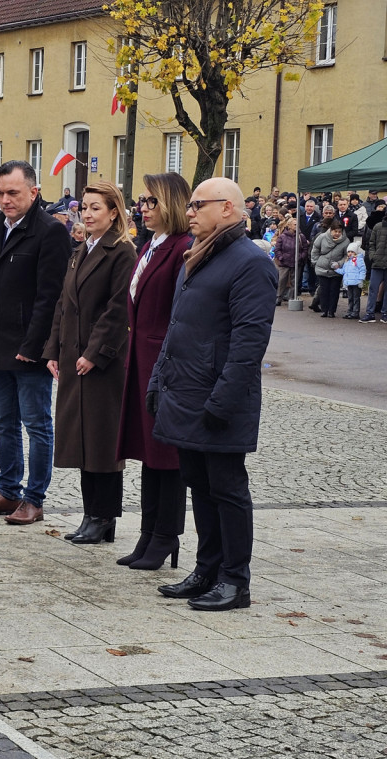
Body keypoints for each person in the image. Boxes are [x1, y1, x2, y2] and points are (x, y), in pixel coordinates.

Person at [150, 177, 277, 611]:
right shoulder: (200, 256)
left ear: (227, 208)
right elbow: (177, 329)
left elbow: (249, 342)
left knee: (227, 489)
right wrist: (157, 381)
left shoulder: (249, 263)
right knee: (199, 486)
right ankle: (207, 569)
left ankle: (234, 580)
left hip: (217, 399)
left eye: (197, 205)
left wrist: (222, 401)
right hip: (184, 391)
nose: (188, 212)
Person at [0, 160, 69, 524]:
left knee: (36, 424)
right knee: (3, 422)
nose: (5, 200)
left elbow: (50, 297)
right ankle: (8, 491)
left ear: (34, 192)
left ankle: (34, 498)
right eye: (0, 193)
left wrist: (33, 344)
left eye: (13, 193)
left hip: (29, 348)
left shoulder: (49, 232)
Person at [44, 181, 135, 544]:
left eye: (96, 207)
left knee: (102, 442)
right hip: (73, 356)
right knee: (81, 441)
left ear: (114, 212)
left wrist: (94, 354)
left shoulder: (121, 252)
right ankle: (90, 514)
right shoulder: (81, 249)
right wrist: (53, 350)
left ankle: (104, 516)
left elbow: (117, 310)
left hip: (103, 362)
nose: (87, 213)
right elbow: (63, 305)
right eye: (84, 207)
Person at [115, 173, 192, 569]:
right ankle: (148, 530)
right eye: (141, 202)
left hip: (163, 363)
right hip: (139, 361)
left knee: (166, 454)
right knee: (147, 452)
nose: (143, 209)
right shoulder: (150, 244)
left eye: (151, 202)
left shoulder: (182, 247)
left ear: (171, 204)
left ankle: (166, 534)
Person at [311, 218, 348, 318]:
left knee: (334, 291)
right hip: (322, 268)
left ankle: (332, 310)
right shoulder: (322, 237)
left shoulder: (345, 241)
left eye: (339, 232)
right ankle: (324, 310)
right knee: (324, 290)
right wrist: (315, 262)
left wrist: (339, 264)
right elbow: (315, 249)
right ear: (331, 230)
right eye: (335, 231)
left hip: (336, 270)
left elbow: (346, 256)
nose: (337, 233)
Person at [272, 217, 307, 306]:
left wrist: (300, 257)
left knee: (294, 282)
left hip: (296, 262)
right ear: (289, 225)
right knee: (281, 281)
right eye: (295, 224)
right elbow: (277, 249)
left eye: (297, 224)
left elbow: (305, 249)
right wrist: (281, 257)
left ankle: (291, 298)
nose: (296, 226)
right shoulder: (282, 236)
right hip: (284, 262)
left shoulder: (301, 236)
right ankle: (278, 297)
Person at [360, 215, 387, 323]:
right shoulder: (378, 226)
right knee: (373, 289)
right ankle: (369, 313)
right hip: (377, 263)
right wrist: (373, 256)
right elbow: (371, 243)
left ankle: (385, 313)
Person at [339, 242, 365, 319]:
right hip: (349, 283)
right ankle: (350, 311)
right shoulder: (347, 261)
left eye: (352, 252)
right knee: (350, 298)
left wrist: (361, 280)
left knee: (356, 298)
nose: (350, 253)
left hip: (356, 283)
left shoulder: (359, 260)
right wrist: (336, 269)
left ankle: (355, 312)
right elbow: (344, 271)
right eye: (349, 252)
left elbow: (362, 270)